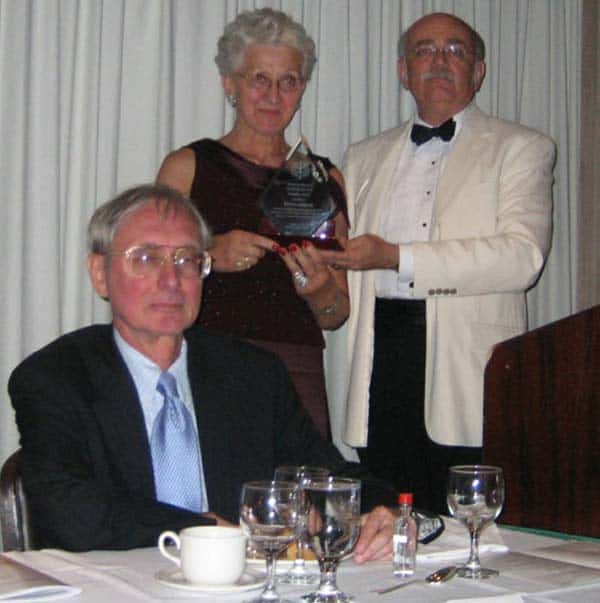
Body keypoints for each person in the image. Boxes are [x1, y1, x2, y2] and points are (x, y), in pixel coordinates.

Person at [8, 184, 396, 556]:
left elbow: (327, 473)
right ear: (99, 273)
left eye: (187, 260)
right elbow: (66, 511)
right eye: (145, 259)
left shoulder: (253, 375)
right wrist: (198, 530)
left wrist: (387, 510)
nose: (171, 280)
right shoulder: (56, 377)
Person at [322, 12, 555, 514]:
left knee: (468, 524)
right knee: (386, 513)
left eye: (456, 50)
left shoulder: (523, 148)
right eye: (426, 50)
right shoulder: (361, 155)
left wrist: (395, 256)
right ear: (403, 71)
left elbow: (523, 257)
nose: (441, 61)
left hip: (469, 369)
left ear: (480, 70)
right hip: (380, 354)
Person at [156, 8, 349, 440]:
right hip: (208, 359)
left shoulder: (324, 177)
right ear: (230, 84)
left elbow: (337, 315)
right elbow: (149, 271)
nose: (273, 95)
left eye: (289, 81)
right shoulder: (187, 167)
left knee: (300, 498)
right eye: (259, 78)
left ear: (302, 89)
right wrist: (207, 257)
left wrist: (320, 292)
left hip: (296, 367)